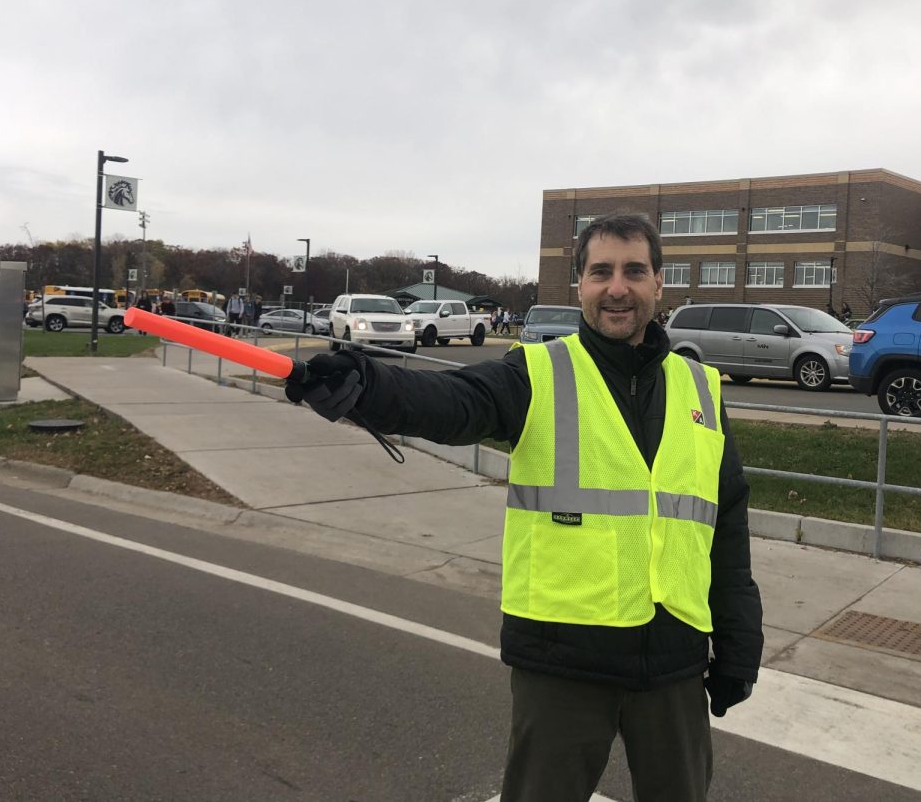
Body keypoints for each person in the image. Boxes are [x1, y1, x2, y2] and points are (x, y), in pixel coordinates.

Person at [285, 213, 762, 801]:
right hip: (563, 662)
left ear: (658, 284)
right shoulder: (539, 372)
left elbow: (726, 528)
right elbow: (454, 401)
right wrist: (369, 385)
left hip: (673, 661)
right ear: (579, 285)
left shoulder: (702, 389)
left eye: (634, 271)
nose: (618, 287)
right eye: (601, 272)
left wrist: (739, 645)